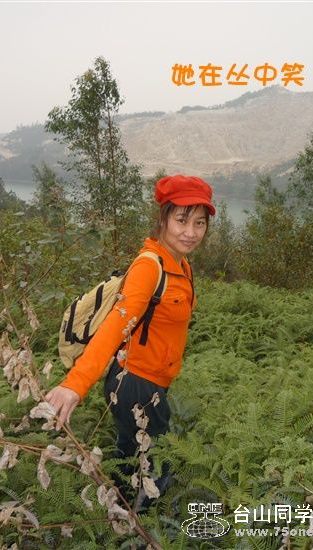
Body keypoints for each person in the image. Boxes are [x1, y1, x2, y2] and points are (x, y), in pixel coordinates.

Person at [45, 174, 216, 508]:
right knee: (154, 467)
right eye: (181, 220)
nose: (191, 232)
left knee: (129, 456)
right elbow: (114, 327)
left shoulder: (180, 264)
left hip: (147, 383)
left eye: (199, 223)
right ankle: (142, 524)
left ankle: (119, 511)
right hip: (136, 385)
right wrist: (75, 384)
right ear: (163, 219)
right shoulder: (150, 267)